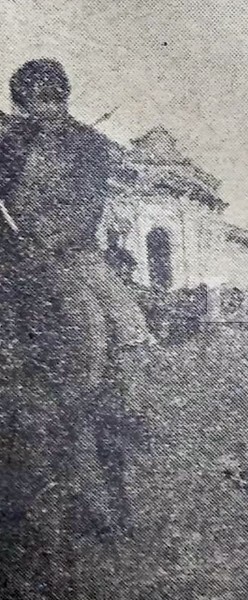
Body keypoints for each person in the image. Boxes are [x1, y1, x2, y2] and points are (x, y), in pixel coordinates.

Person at [0, 59, 152, 592]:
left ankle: (121, 420)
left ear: (62, 99)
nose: (40, 110)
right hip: (17, 254)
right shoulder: (9, 140)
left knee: (122, 324)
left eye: (48, 99)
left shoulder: (89, 144)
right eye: (29, 101)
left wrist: (53, 242)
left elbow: (88, 206)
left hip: (72, 253)